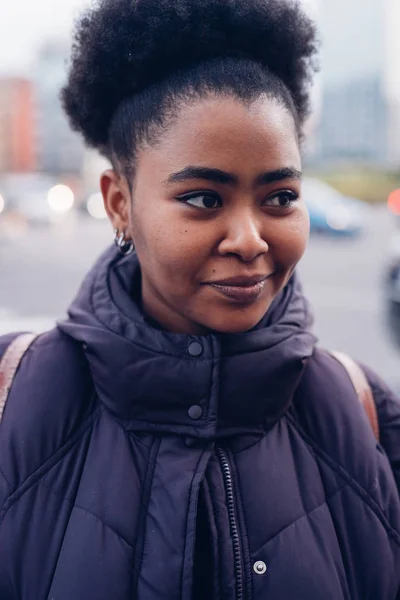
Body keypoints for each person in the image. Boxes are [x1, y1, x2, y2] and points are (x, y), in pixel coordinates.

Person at [0, 0, 399, 598]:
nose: (249, 239)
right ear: (119, 203)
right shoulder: (13, 401)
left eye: (281, 196)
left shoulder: (360, 411)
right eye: (204, 199)